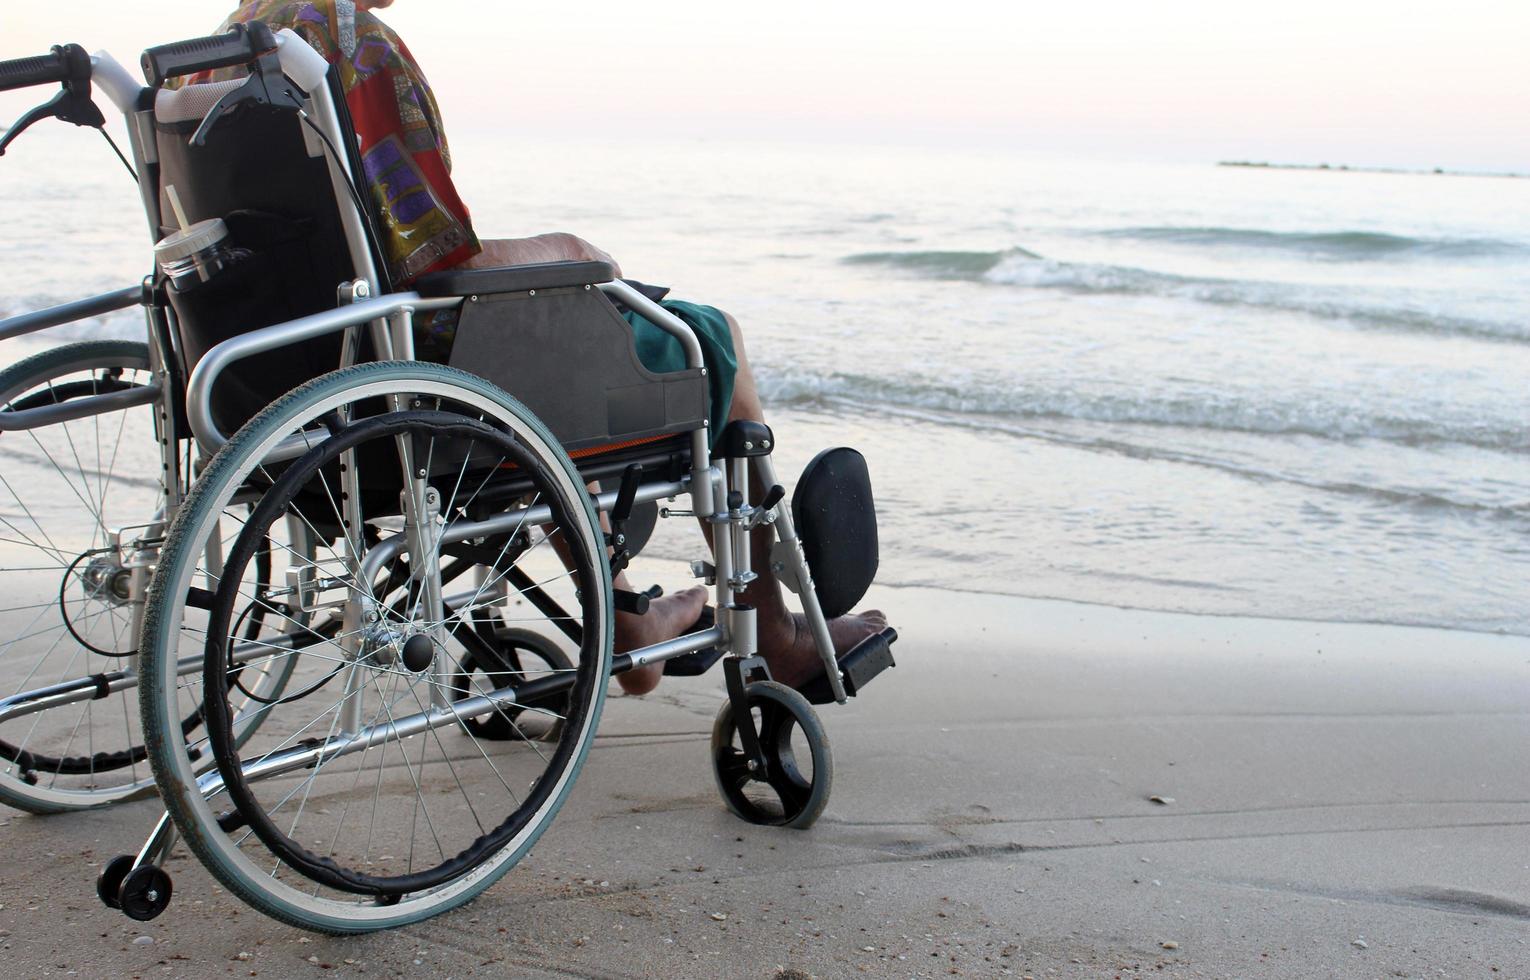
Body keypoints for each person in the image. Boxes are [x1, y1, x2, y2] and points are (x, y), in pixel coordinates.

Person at [206, 0, 886, 694]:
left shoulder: (224, 51)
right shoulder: (352, 45)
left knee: (553, 345)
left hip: (289, 388)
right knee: (709, 335)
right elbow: (429, 266)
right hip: (414, 379)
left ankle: (629, 621)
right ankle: (775, 634)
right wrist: (569, 249)